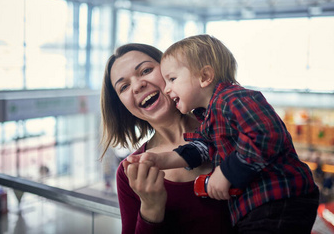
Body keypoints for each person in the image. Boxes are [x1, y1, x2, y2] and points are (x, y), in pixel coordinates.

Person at [128, 34, 319, 233]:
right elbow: (201, 148)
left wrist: (227, 171)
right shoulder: (209, 116)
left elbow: (265, 134)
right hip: (257, 207)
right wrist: (162, 160)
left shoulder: (234, 99)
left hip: (279, 199)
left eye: (172, 79)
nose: (167, 89)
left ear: (205, 77)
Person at [100, 43, 235, 234]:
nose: (138, 86)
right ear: (122, 105)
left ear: (170, 70)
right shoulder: (130, 173)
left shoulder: (228, 125)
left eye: (146, 70)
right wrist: (150, 209)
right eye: (124, 86)